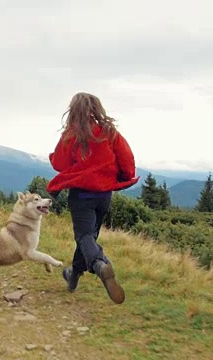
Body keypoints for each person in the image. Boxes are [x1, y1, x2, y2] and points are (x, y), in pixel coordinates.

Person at [46, 92, 140, 304]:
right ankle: (73, 275)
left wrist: (54, 156)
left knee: (85, 237)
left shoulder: (71, 134)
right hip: (104, 195)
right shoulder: (110, 132)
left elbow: (59, 164)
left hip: (81, 195)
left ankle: (100, 264)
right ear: (96, 108)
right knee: (88, 238)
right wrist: (121, 178)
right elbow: (126, 160)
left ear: (73, 109)